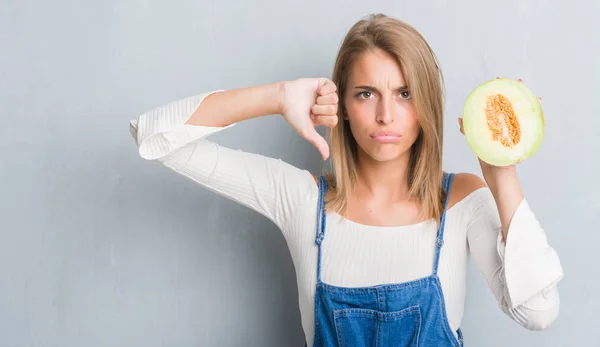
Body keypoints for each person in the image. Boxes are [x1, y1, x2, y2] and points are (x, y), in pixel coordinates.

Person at [129, 13, 563, 347]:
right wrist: (277, 97)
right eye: (366, 93)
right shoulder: (300, 200)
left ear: (426, 103)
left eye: (405, 93)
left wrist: (501, 167)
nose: (386, 115)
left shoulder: (462, 200)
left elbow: (538, 312)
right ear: (341, 104)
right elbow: (154, 137)